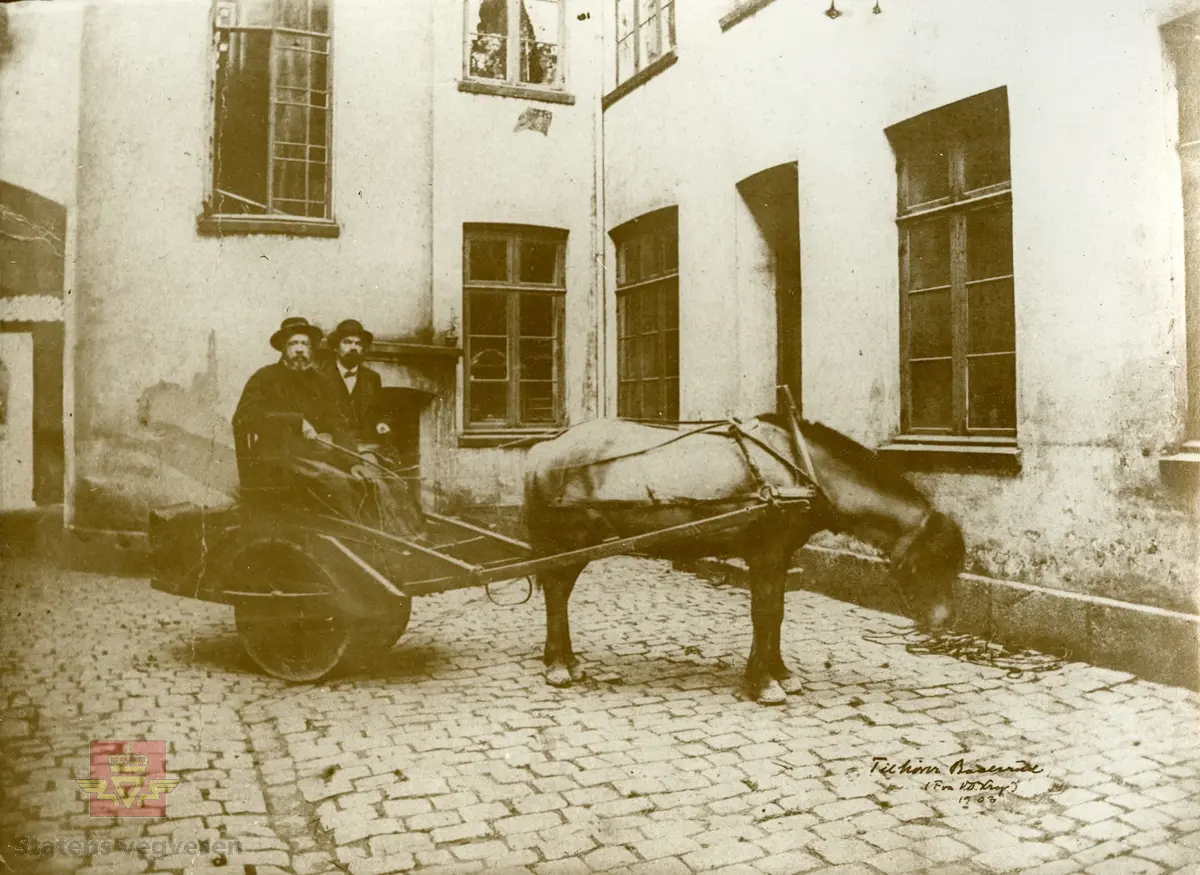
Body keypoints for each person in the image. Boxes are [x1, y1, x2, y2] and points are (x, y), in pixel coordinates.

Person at [232, 317, 424, 537]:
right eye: (294, 344)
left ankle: (399, 535)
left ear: (312, 349)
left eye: (305, 344)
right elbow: (243, 418)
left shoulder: (319, 380)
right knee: (338, 483)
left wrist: (352, 462)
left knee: (366, 475)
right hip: (277, 457)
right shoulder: (264, 377)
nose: (300, 350)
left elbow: (337, 423)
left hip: (314, 453)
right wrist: (295, 421)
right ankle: (360, 539)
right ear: (284, 348)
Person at [321, 319, 391, 445]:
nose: (353, 347)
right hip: (334, 445)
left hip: (366, 443)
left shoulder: (372, 377)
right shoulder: (321, 375)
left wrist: (382, 423)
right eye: (347, 342)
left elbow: (380, 411)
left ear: (363, 349)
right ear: (336, 347)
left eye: (358, 344)